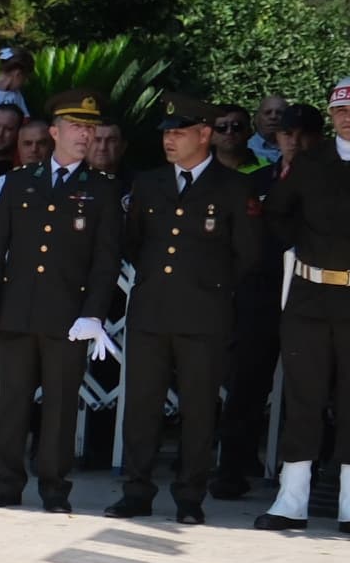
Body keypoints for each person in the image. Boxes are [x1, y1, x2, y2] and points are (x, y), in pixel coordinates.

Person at [111, 94, 266, 524]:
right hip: (151, 310)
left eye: (179, 132)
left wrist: (210, 288)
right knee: (142, 406)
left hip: (204, 313)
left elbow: (248, 255)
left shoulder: (235, 187)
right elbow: (135, 242)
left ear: (204, 134)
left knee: (198, 410)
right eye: (166, 133)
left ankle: (189, 497)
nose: (169, 140)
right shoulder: (148, 183)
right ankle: (136, 491)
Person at [0, 88, 121, 513]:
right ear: (54, 131)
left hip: (68, 316)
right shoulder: (19, 182)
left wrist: (93, 314)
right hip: (17, 310)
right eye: (75, 126)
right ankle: (5, 485)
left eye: (90, 128)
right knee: (12, 402)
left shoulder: (103, 190)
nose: (84, 135)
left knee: (59, 407)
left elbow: (105, 261)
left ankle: (55, 490)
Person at [257, 78, 350, 532]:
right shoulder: (311, 162)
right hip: (311, 294)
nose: (346, 118)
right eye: (339, 110)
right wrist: (300, 247)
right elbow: (277, 210)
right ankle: (291, 500)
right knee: (303, 395)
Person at [219, 103, 315, 498]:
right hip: (260, 291)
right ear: (275, 137)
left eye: (300, 133)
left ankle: (307, 474)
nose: (292, 141)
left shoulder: (331, 180)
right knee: (246, 383)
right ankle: (232, 467)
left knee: (310, 389)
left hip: (312, 292)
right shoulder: (255, 180)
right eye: (285, 133)